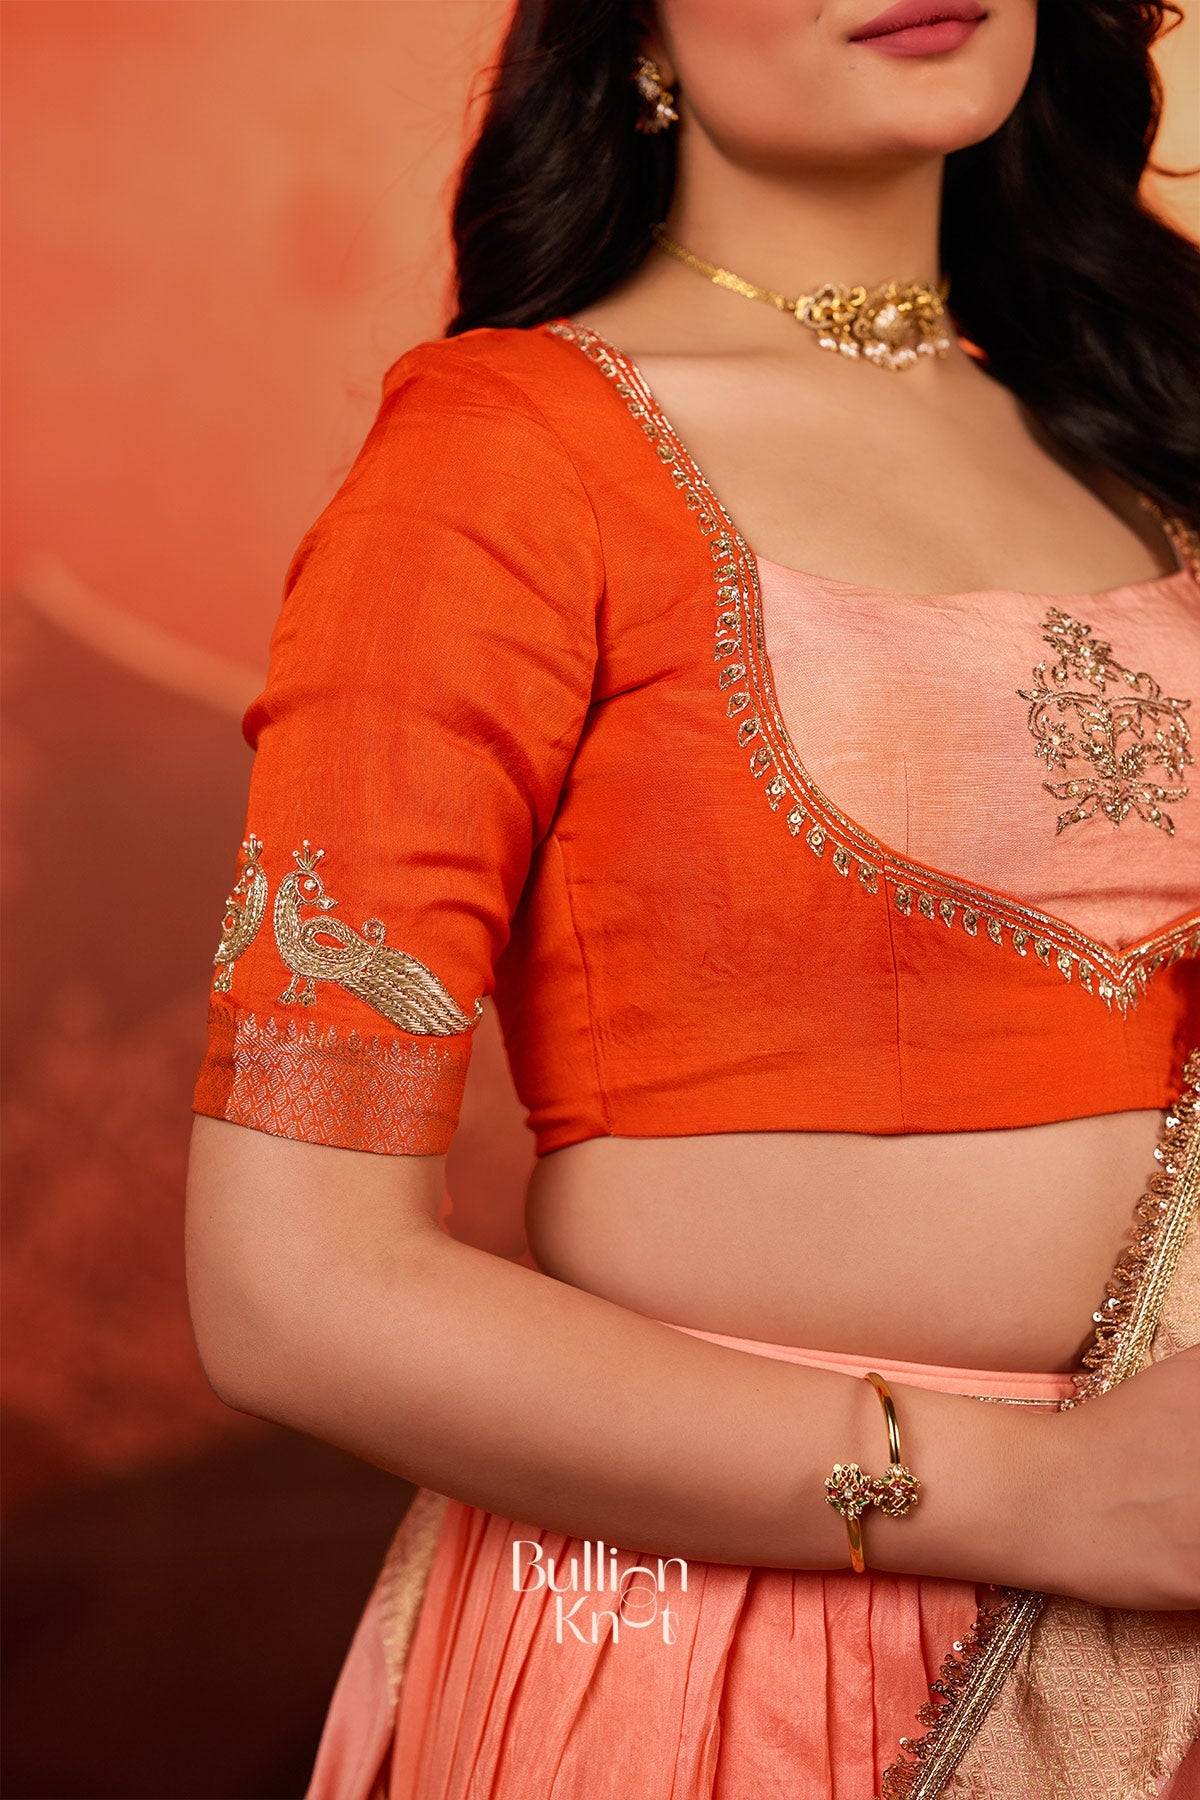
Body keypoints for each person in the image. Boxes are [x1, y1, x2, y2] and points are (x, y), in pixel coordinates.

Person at [184, 1, 1200, 1794]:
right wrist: (1043, 1492)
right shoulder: (500, 459)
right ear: (632, 25)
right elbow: (294, 1289)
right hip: (755, 1647)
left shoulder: (1153, 417)